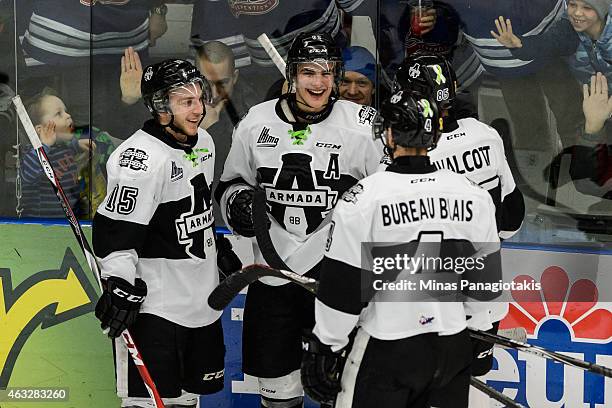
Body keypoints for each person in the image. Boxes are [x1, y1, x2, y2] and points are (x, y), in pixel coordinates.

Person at [301, 90, 501, 408]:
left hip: (387, 346)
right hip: (451, 346)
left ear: (389, 135)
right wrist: (481, 331)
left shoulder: (364, 197)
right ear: (434, 133)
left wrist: (325, 345)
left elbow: (343, 286)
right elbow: (484, 287)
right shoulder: (472, 194)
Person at [215, 32, 382, 408]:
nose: (320, 82)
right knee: (278, 394)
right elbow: (230, 184)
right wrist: (237, 202)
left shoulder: (365, 125)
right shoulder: (256, 122)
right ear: (292, 75)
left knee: (337, 393)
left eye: (328, 72)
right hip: (273, 275)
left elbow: (389, 195)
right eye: (309, 72)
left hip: (338, 277)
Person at [92, 59, 230, 408]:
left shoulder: (206, 143)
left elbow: (195, 210)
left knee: (187, 399)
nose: (198, 109)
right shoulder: (139, 160)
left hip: (202, 300)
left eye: (200, 98)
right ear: (160, 108)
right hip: (158, 307)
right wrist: (119, 287)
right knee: (147, 403)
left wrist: (215, 246)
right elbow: (115, 236)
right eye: (187, 102)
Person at [394, 52, 521, 406]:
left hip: (420, 303)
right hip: (481, 297)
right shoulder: (486, 135)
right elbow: (511, 221)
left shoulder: (403, 150)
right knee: (463, 390)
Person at [19, 90, 97, 218]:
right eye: (59, 114)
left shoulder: (63, 147)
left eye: (65, 111)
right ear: (40, 130)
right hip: (42, 222)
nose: (68, 115)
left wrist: (77, 145)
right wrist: (44, 145)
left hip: (69, 216)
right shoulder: (33, 154)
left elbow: (67, 148)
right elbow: (27, 175)